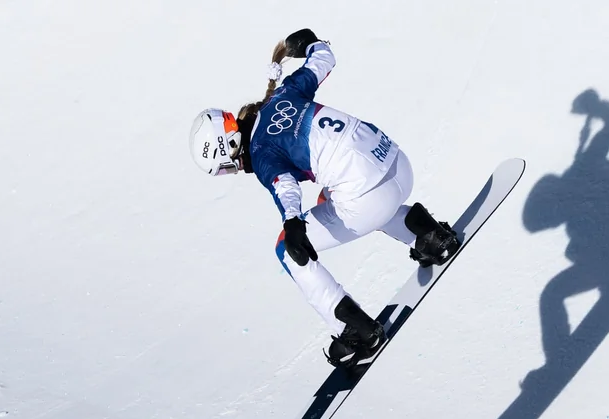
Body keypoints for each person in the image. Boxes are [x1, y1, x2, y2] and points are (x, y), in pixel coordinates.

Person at [188, 29, 460, 369]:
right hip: (398, 164)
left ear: (229, 147)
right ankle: (429, 235)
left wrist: (292, 224)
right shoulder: (284, 93)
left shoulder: (260, 152)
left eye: (227, 168)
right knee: (328, 196)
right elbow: (324, 58)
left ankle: (357, 331)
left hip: (369, 200)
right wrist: (309, 43)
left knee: (286, 250)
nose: (235, 170)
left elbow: (285, 186)